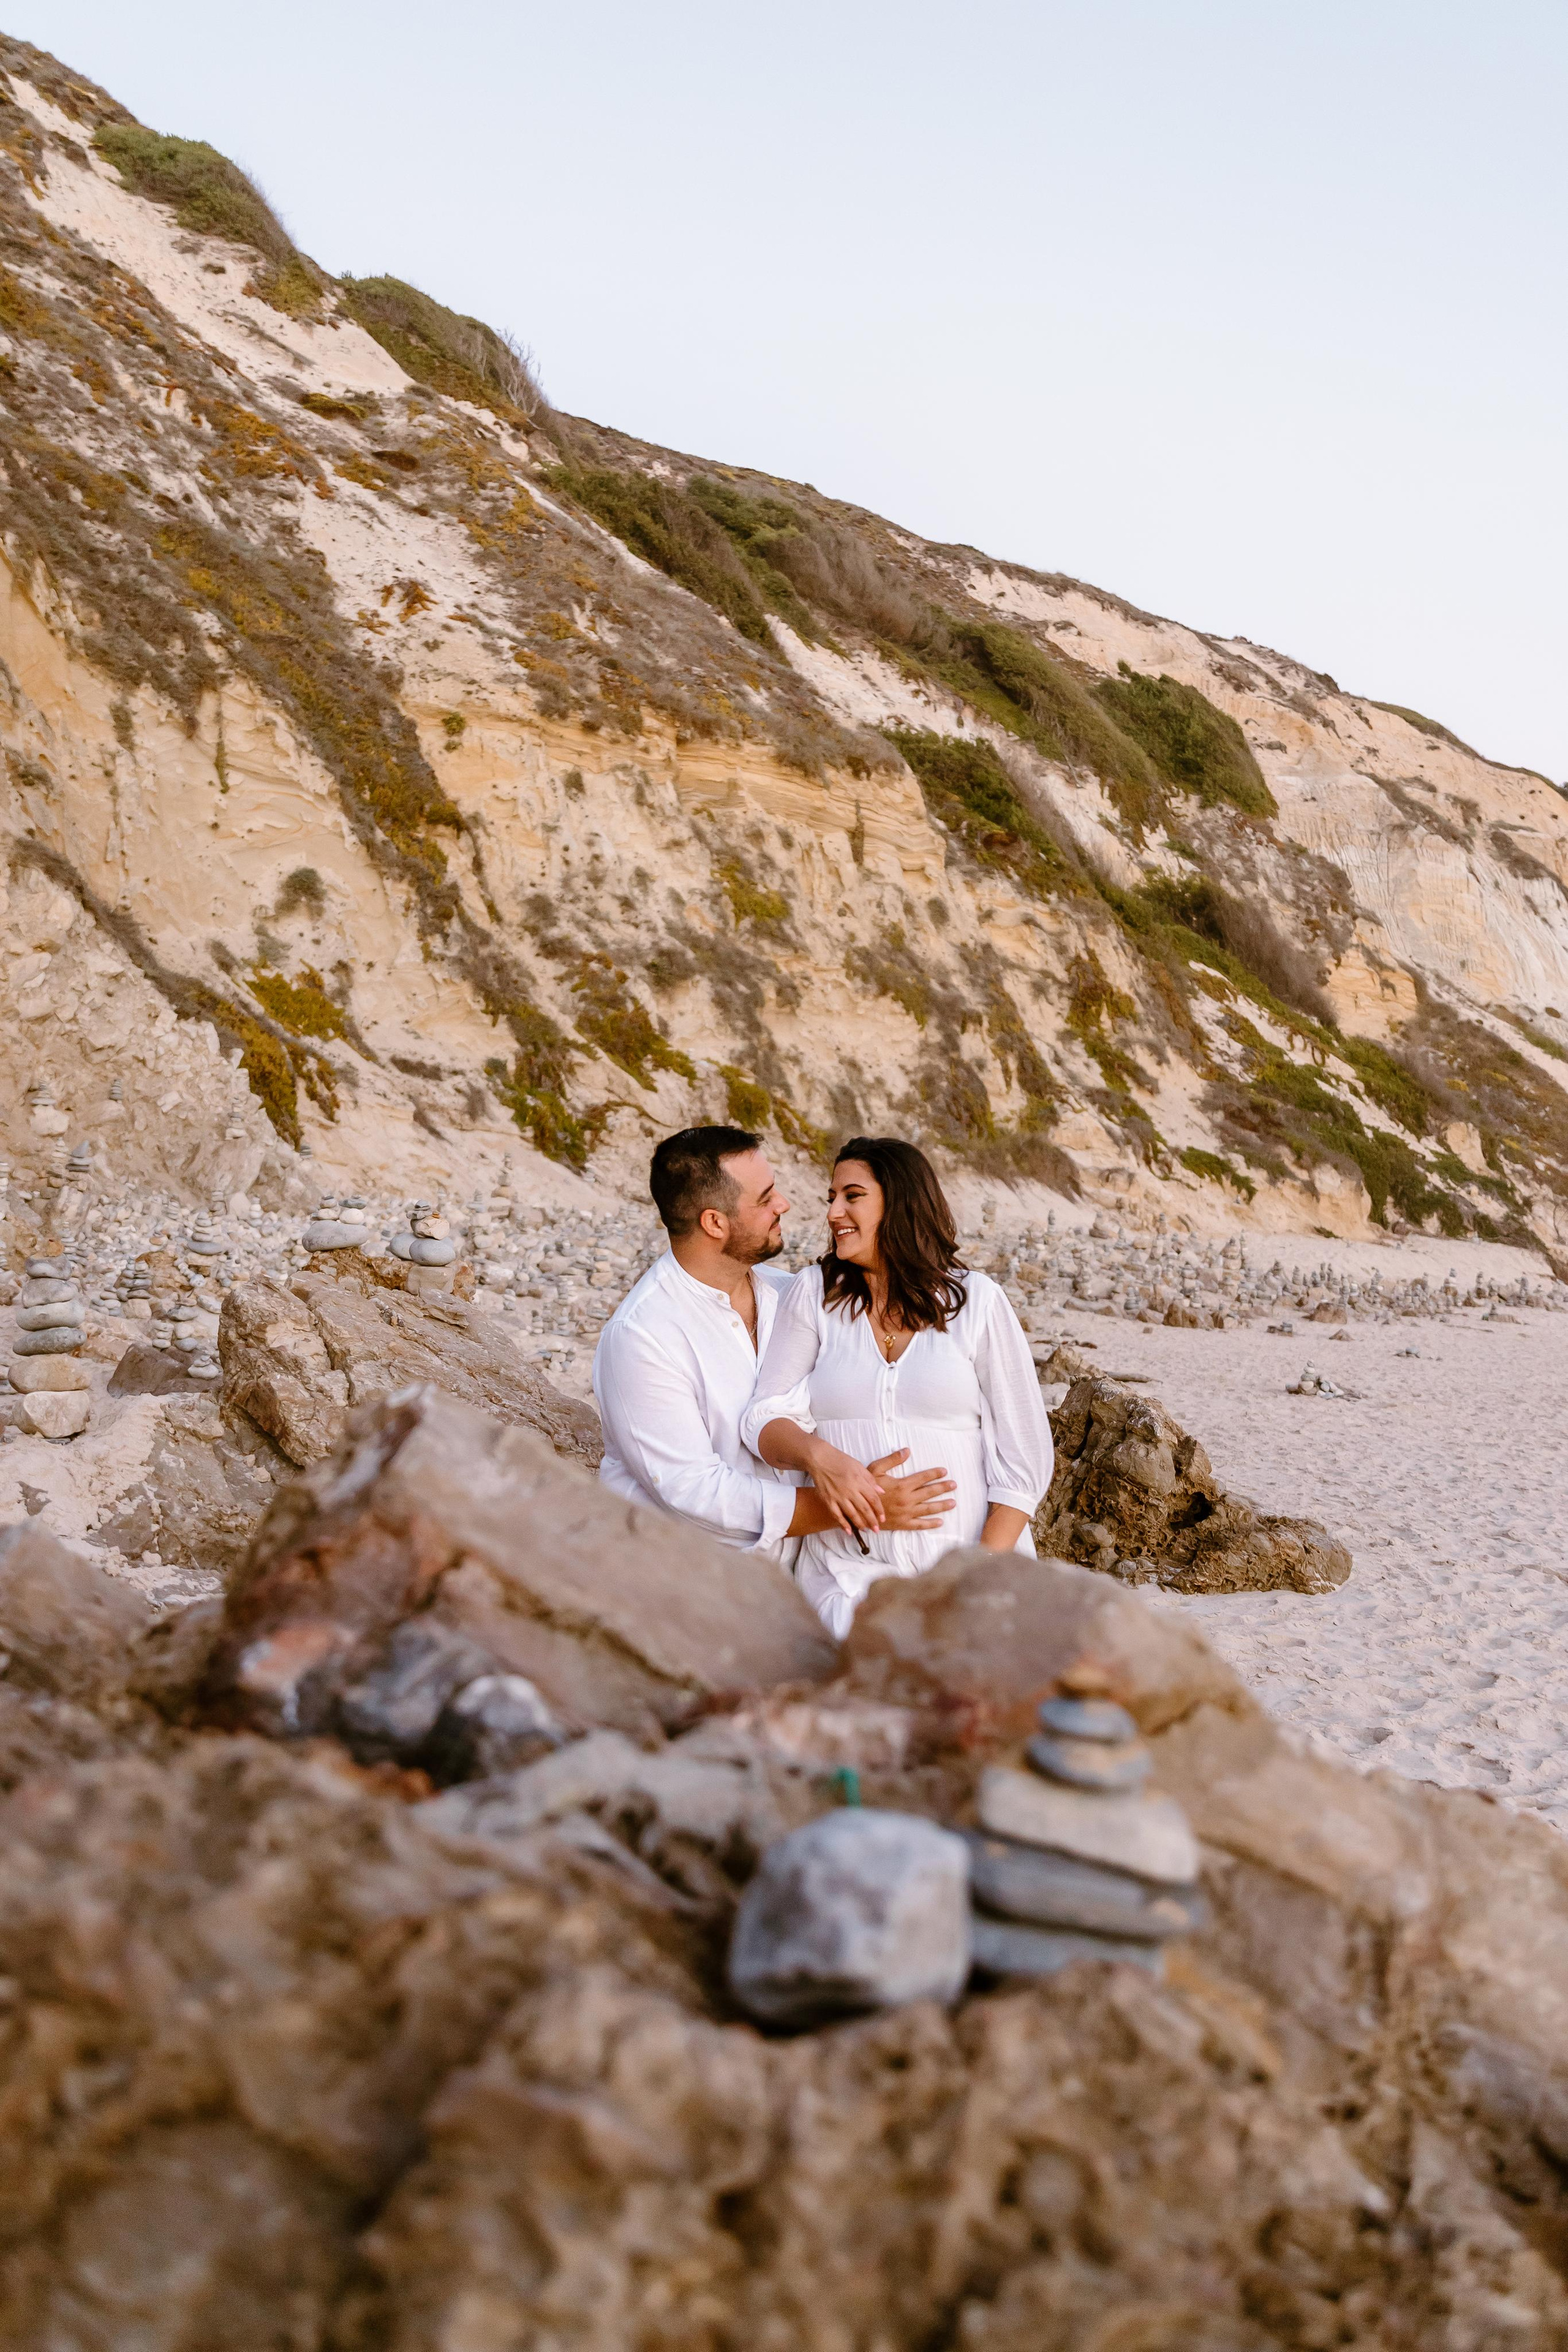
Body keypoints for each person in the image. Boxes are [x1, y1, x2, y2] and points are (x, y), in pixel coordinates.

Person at [594, 1125, 957, 1561]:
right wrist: (862, 1506)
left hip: (816, 1578)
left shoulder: (793, 1296)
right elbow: (694, 1492)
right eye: (765, 1199)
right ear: (715, 1223)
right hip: (694, 1589)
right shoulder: (642, 1336)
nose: (784, 1204)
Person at [741, 1136, 1053, 1638]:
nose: (833, 1212)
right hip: (848, 1573)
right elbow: (763, 1419)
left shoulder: (978, 1303)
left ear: (901, 1201)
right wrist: (823, 1459)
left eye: (853, 1196)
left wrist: (969, 1585)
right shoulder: (815, 1295)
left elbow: (1023, 1468)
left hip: (969, 1576)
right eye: (831, 1198)